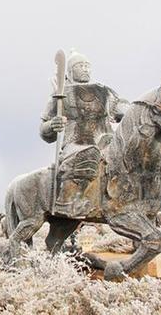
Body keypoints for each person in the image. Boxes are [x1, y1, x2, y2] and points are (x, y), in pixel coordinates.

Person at [40, 50, 129, 217]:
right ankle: (67, 202)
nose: (85, 69)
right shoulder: (61, 93)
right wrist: (52, 125)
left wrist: (127, 111)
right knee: (87, 154)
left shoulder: (104, 91)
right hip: (76, 143)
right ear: (71, 70)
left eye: (87, 66)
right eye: (80, 66)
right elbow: (44, 129)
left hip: (106, 140)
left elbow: (120, 106)